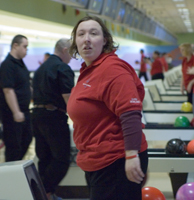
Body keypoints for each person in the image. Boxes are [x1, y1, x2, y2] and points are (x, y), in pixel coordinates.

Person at [67, 16, 148, 200]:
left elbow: (130, 113)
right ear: (75, 41)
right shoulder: (90, 69)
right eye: (81, 34)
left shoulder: (112, 69)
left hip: (116, 160)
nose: (86, 38)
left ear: (105, 40)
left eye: (93, 33)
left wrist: (132, 155)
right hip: (97, 160)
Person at [32, 38, 74, 200]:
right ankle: (46, 191)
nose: (72, 56)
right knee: (62, 159)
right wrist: (79, 120)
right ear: (64, 50)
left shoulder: (40, 68)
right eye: (71, 52)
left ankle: (44, 194)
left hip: (36, 116)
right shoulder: (62, 68)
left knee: (44, 158)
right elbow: (68, 98)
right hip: (54, 117)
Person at [0, 34, 32, 162]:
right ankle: (9, 174)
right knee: (14, 147)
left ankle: (15, 169)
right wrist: (16, 112)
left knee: (27, 139)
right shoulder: (7, 65)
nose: (26, 50)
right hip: (11, 114)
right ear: (15, 46)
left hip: (24, 110)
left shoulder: (20, 64)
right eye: (25, 47)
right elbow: (8, 91)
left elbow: (24, 84)